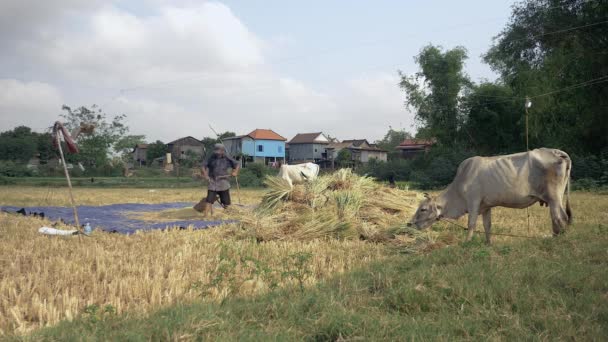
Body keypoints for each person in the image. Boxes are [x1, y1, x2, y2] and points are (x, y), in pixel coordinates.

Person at [194, 143, 240, 216]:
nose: (217, 154)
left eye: (219, 152)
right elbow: (203, 166)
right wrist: (205, 175)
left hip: (223, 182)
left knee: (226, 202)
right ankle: (205, 216)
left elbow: (237, 164)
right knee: (209, 200)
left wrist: (235, 172)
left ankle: (228, 216)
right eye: (216, 152)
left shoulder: (227, 158)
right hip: (213, 181)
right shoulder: (211, 157)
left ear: (222, 151)